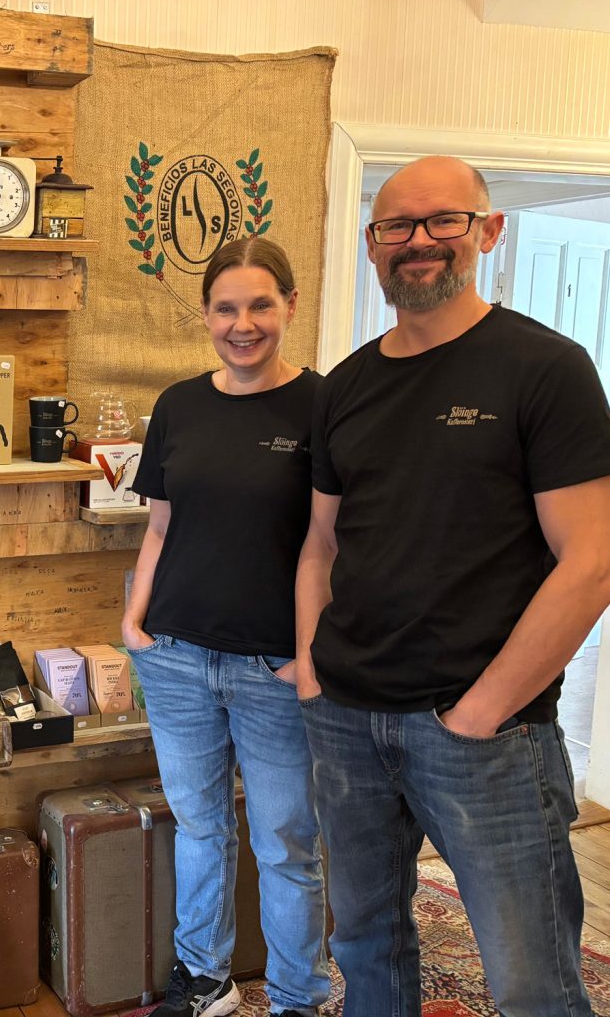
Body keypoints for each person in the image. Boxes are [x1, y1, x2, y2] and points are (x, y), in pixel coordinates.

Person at [296, 155, 610, 1017]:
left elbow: (590, 562)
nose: (418, 241)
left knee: (530, 979)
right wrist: (312, 672)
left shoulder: (544, 369)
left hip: (485, 735)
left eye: (443, 221)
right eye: (396, 225)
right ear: (372, 243)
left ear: (488, 231)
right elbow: (320, 544)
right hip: (346, 719)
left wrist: (479, 713)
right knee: (363, 945)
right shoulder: (346, 385)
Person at [121, 237, 329, 1017]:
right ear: (206, 314)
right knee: (199, 829)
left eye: (259, 306)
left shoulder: (323, 407)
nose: (242, 325)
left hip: (272, 668)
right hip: (174, 657)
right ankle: (206, 982)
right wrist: (134, 621)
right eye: (225, 309)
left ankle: (297, 999)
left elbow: (329, 544)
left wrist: (306, 658)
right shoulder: (178, 405)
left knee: (285, 844)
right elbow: (160, 526)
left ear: (289, 306)